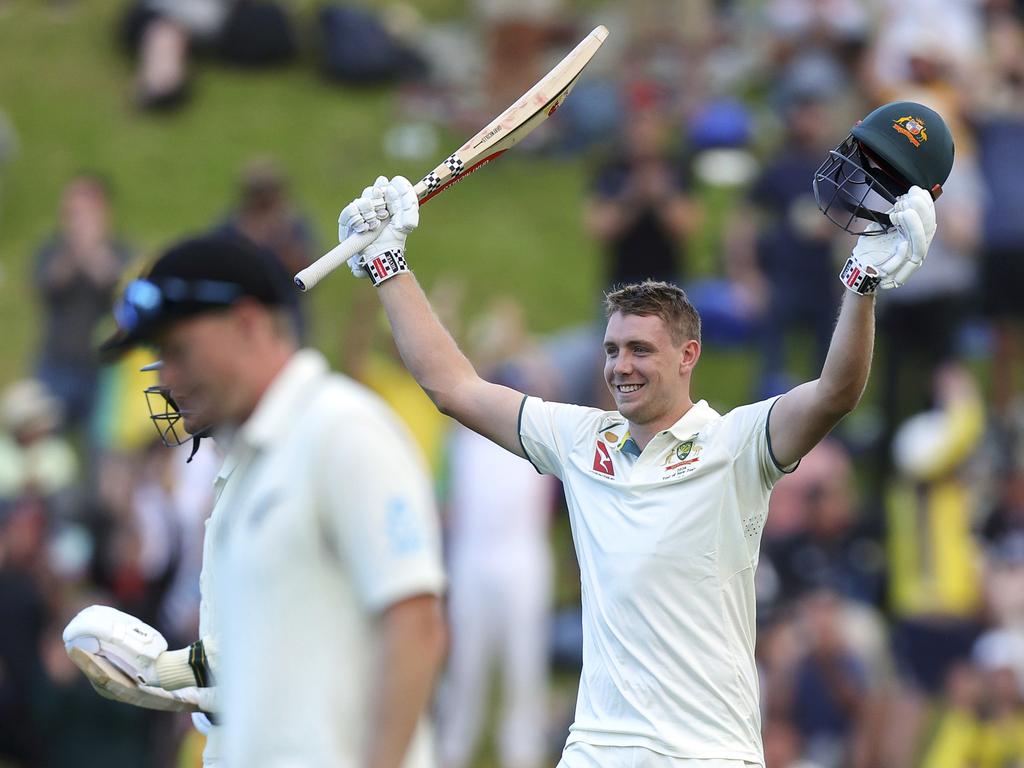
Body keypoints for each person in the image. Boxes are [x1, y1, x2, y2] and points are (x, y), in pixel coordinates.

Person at [339, 99, 949, 767]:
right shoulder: (580, 440)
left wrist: (862, 285)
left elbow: (835, 393)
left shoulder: (738, 444)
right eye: (612, 350)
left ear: (687, 356)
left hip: (707, 754)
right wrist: (389, 266)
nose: (620, 367)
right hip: (598, 752)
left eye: (640, 351)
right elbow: (453, 388)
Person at [61, 234, 447, 768]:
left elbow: (414, 626)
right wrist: (161, 675)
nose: (168, 379)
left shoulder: (341, 431)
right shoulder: (244, 472)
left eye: (177, 351)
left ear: (246, 323)